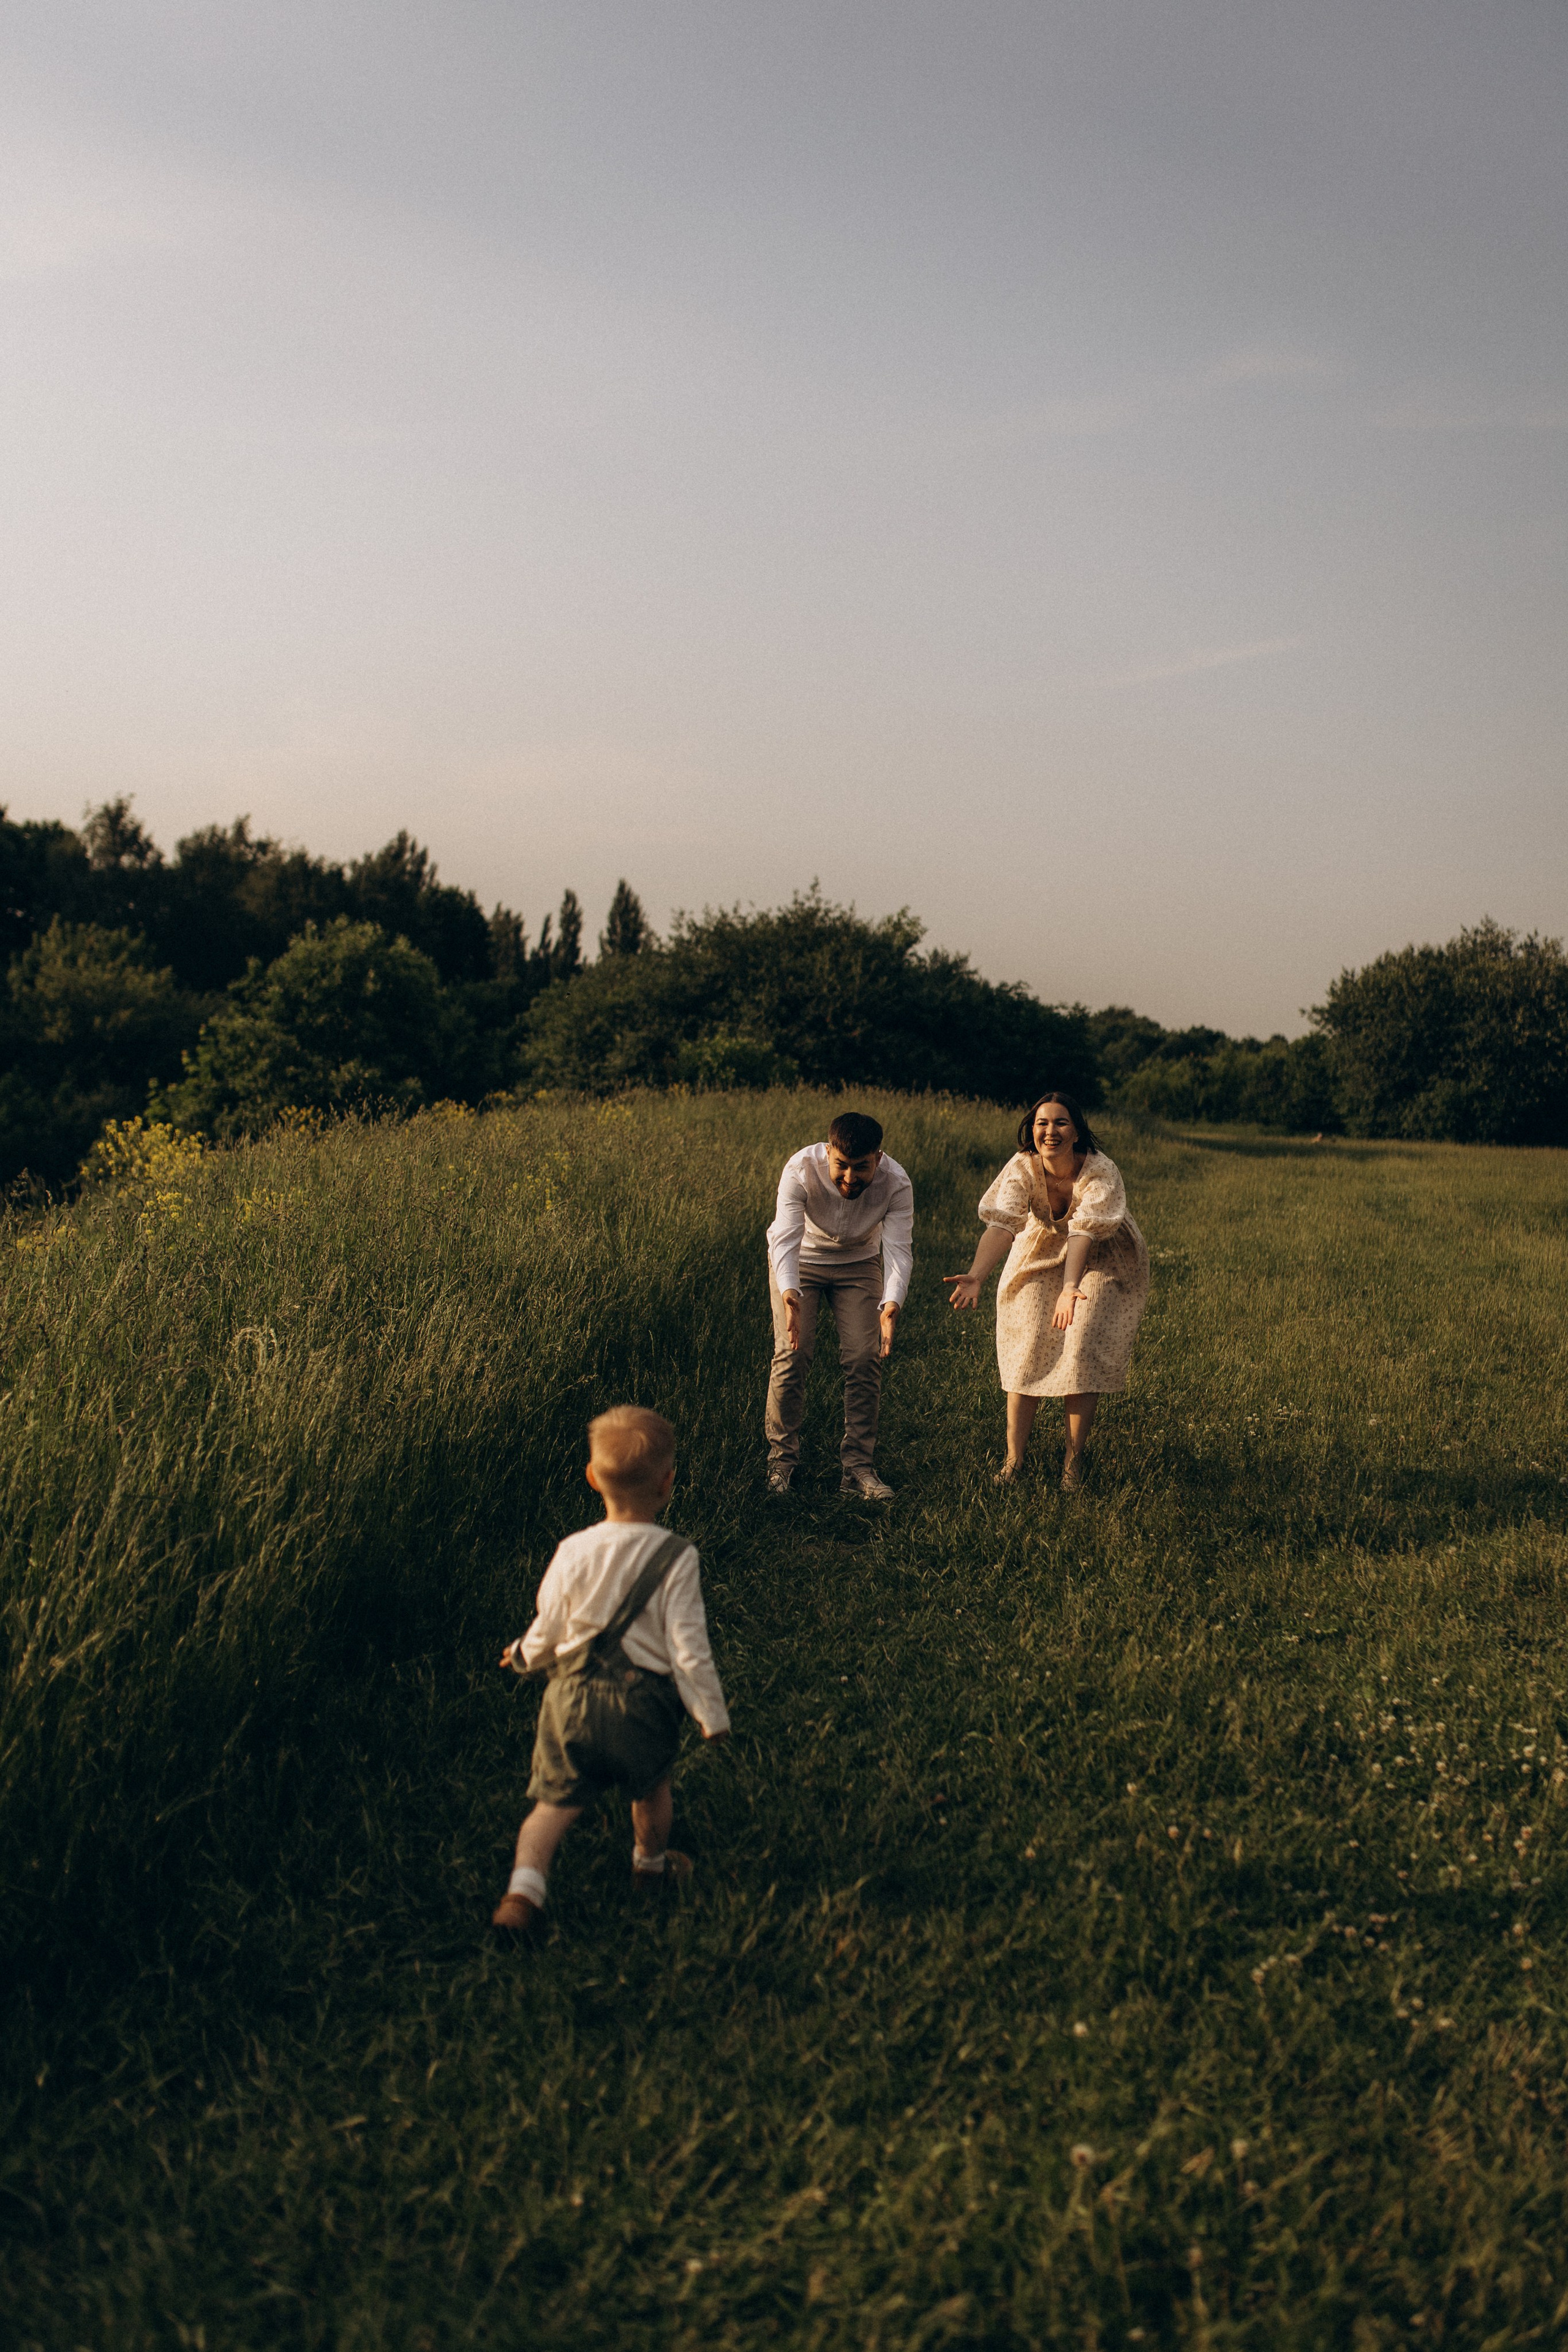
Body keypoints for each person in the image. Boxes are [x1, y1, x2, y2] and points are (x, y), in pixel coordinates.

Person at [491, 1405, 729, 1937]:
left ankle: (523, 1892)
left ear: (592, 1478)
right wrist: (710, 1714)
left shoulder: (572, 1551)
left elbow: (549, 1627)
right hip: (641, 1707)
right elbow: (689, 1648)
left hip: (569, 1701)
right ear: (668, 1483)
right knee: (651, 1793)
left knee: (550, 1806)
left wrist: (525, 1656)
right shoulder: (677, 1557)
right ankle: (649, 1869)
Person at [943, 1091, 1148, 1491]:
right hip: (1039, 1248)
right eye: (1042, 1123)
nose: (1050, 1131)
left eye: (1060, 1123)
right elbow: (1003, 1225)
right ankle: (1013, 1462)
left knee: (1082, 1340)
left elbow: (1085, 1232)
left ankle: (1073, 1464)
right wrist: (977, 1275)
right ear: (1031, 1130)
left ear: (1076, 1131)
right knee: (1029, 1342)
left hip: (1101, 1253)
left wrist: (1070, 1286)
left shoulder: (1100, 1171)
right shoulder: (1023, 1167)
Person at [764, 1110, 914, 1501]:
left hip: (859, 1263)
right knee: (792, 1354)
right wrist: (788, 1293)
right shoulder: (800, 1169)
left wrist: (891, 1303)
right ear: (828, 1152)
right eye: (841, 1166)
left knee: (866, 1358)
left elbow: (898, 1250)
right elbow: (784, 1236)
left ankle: (858, 1472)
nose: (850, 1178)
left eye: (861, 1168)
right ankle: (781, 1464)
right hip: (801, 1260)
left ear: (878, 1159)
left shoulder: (897, 1183)